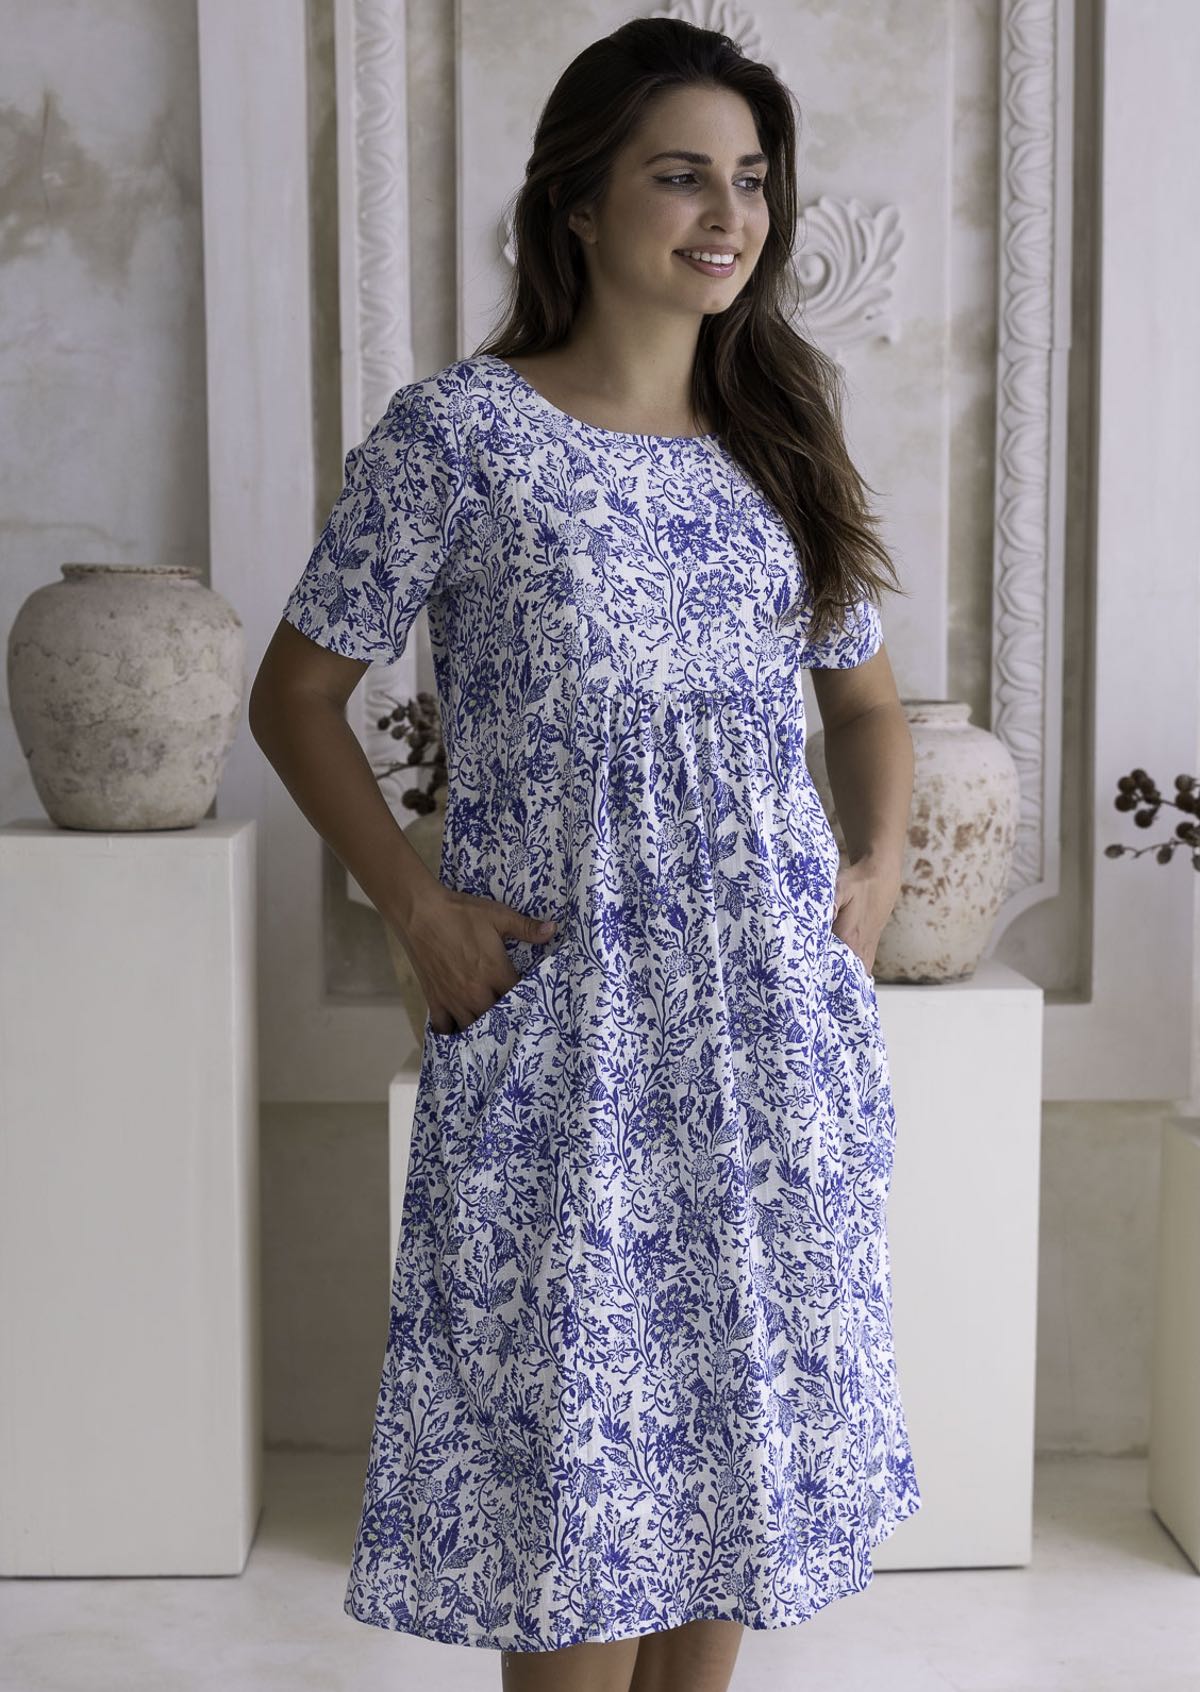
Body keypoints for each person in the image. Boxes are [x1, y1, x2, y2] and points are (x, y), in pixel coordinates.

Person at [250, 15, 921, 1692]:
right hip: (569, 1044)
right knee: (576, 1518)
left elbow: (870, 709)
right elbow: (297, 697)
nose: (728, 214)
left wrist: (878, 875)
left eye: (752, 180)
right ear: (576, 200)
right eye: (680, 173)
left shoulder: (777, 433)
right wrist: (418, 916)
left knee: (725, 1494)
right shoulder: (462, 438)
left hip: (765, 1047)